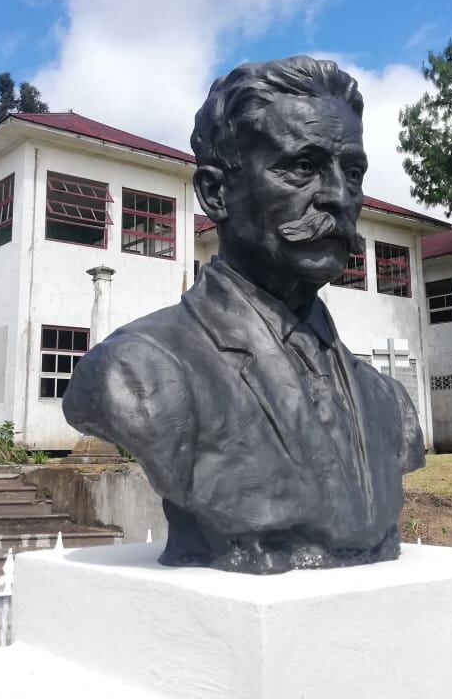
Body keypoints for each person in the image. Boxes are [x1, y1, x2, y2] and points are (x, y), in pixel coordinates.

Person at [63, 56, 426, 574]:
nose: (338, 196)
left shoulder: (388, 403)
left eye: (352, 173)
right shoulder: (138, 371)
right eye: (302, 167)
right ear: (216, 193)